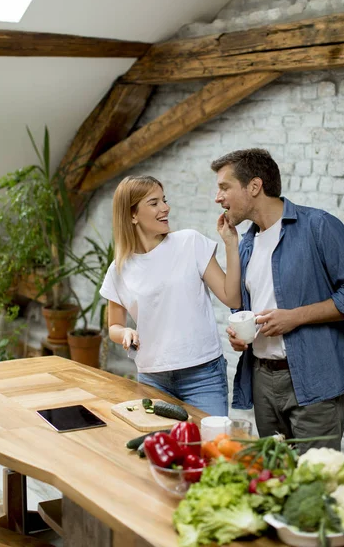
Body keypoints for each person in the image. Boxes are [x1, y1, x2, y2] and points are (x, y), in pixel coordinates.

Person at [211, 148, 344, 451]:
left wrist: (295, 316)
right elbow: (243, 307)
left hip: (313, 378)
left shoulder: (318, 226)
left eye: (224, 187)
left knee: (315, 482)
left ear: (254, 186)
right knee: (275, 478)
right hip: (262, 379)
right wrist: (241, 335)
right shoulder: (247, 242)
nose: (218, 197)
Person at [100, 175, 241, 416]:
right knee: (160, 450)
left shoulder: (190, 243)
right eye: (154, 203)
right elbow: (114, 325)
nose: (165, 208)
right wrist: (125, 332)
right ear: (132, 215)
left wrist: (231, 244)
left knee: (210, 448)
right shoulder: (119, 268)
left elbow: (232, 298)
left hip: (203, 375)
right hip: (153, 378)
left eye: (163, 201)